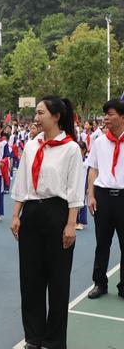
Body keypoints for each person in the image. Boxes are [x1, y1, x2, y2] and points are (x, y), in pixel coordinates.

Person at [11, 96, 84, 349]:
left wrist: (71, 223)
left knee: (58, 280)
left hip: (57, 213)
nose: (36, 117)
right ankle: (33, 336)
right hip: (31, 212)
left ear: (56, 117)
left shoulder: (71, 148)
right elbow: (22, 181)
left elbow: (75, 188)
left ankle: (53, 341)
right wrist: (16, 214)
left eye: (41, 112)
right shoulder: (31, 146)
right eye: (36, 112)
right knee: (30, 279)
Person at [86, 99, 124, 300]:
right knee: (102, 243)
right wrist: (91, 195)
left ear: (122, 116)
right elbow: (93, 169)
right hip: (103, 196)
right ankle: (99, 283)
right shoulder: (100, 142)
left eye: (110, 114)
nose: (106, 118)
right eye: (105, 115)